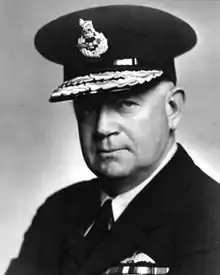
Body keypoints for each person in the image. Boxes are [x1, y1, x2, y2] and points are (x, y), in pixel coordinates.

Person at [5, 4, 220, 275]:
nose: (102, 127)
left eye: (125, 104)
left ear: (172, 109)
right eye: (88, 108)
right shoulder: (57, 213)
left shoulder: (211, 217)